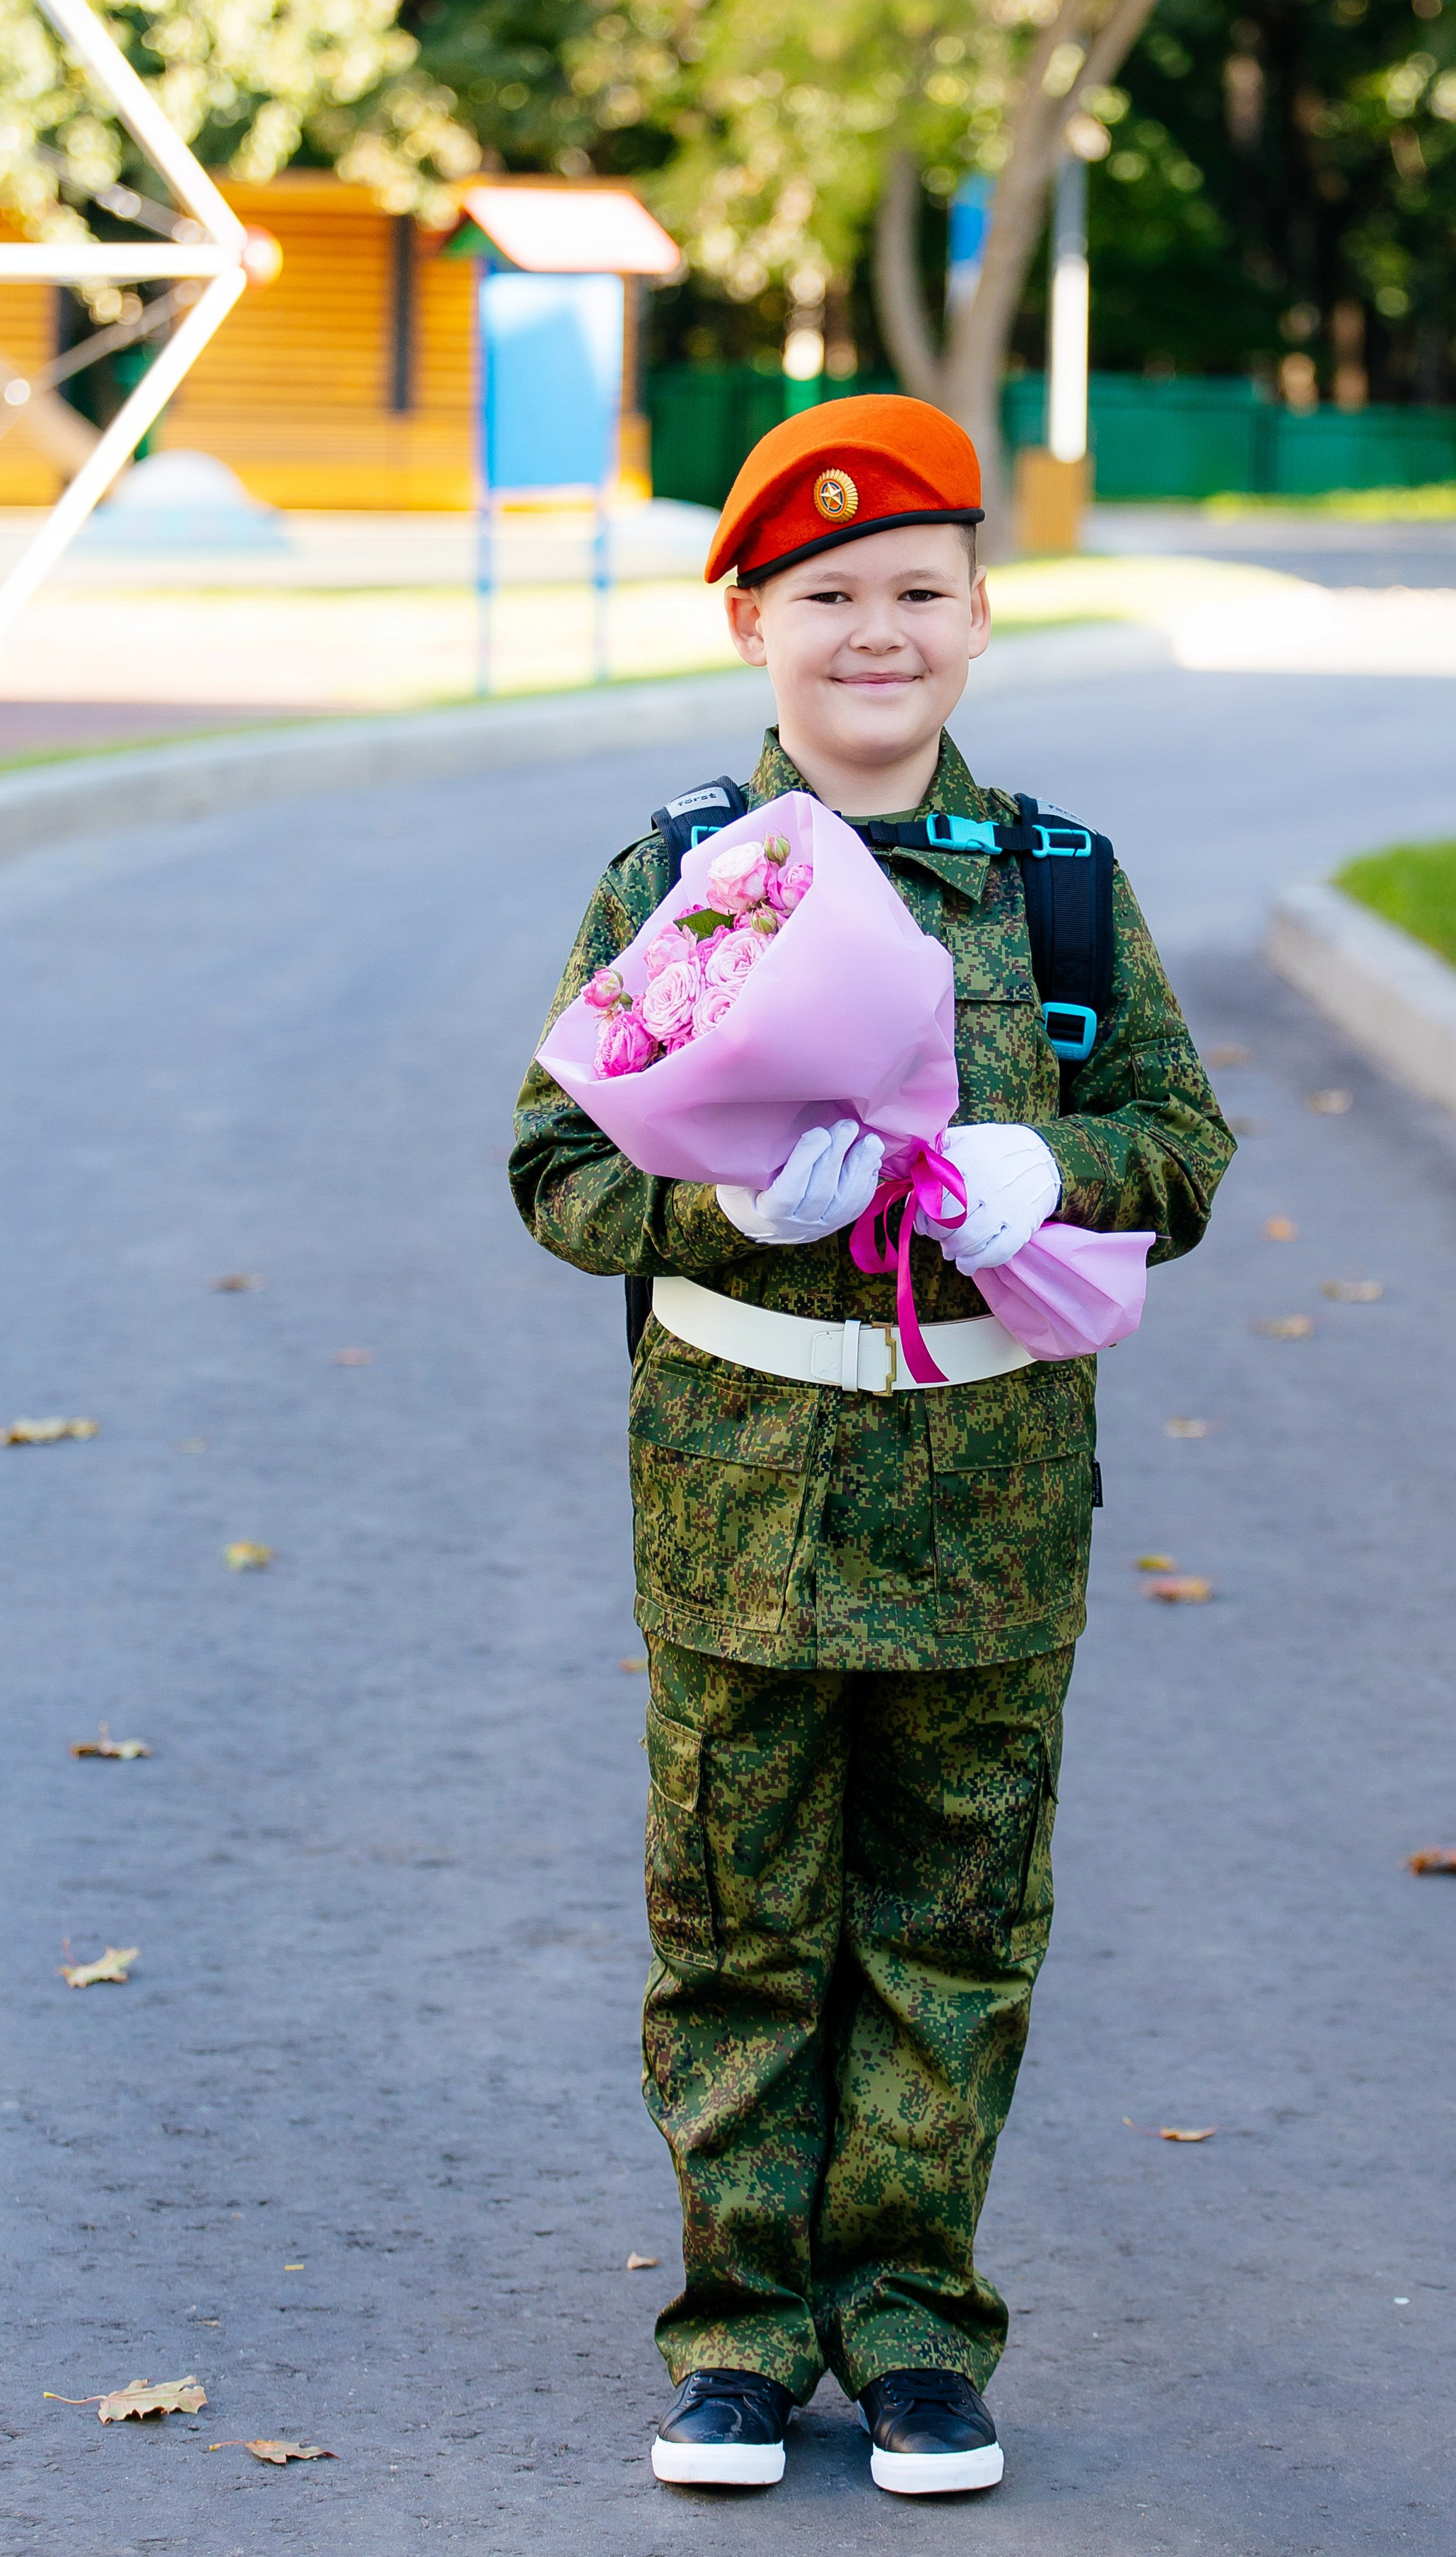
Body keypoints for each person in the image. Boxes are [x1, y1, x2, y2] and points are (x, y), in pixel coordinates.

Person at [510, 395, 1233, 2497]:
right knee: (736, 1932)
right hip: (739, 1507)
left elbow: (1182, 1154)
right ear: (751, 624)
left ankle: (916, 2331)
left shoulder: (1066, 897)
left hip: (994, 1508)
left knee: (954, 1934)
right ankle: (738, 2332)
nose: (875, 633)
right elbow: (558, 1170)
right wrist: (719, 1205)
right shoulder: (675, 878)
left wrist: (1049, 1164)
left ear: (984, 619)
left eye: (919, 591)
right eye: (827, 597)